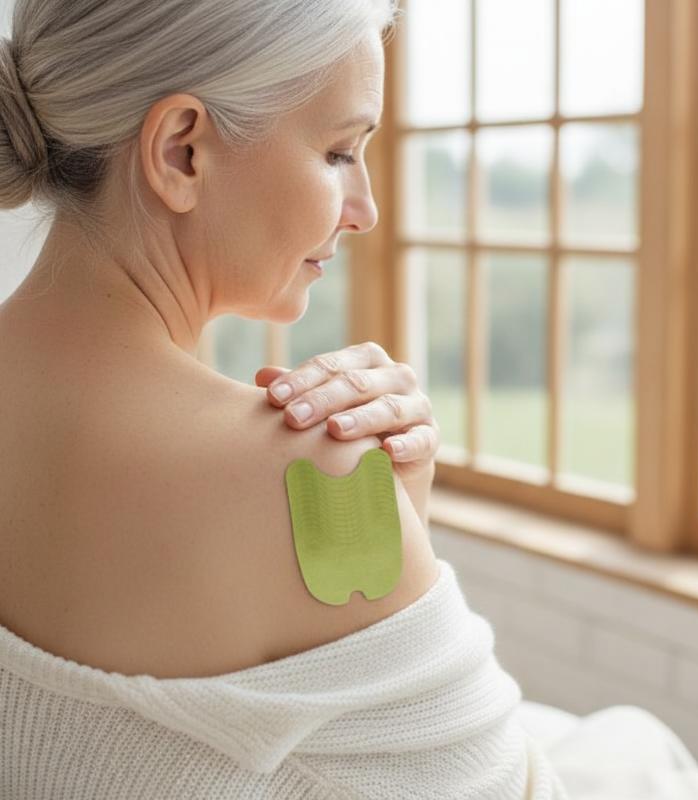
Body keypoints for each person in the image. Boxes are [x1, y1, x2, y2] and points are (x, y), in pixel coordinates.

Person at [0, 1, 558, 797]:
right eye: (339, 152)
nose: (365, 210)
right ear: (181, 151)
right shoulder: (315, 473)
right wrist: (397, 514)